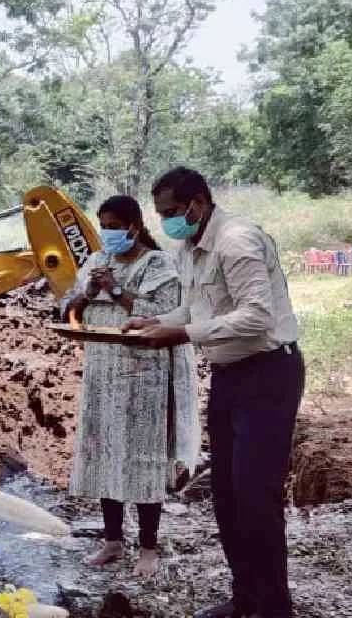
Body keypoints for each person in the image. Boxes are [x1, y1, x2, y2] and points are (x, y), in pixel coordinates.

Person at [125, 167, 303, 618]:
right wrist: (159, 322)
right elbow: (197, 305)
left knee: (256, 496)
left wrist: (181, 333)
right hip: (230, 376)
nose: (166, 221)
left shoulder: (236, 241)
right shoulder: (191, 246)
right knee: (226, 493)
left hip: (268, 374)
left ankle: (275, 608)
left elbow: (256, 317)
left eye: (170, 212)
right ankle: (245, 598)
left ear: (197, 204)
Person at [59, 196, 200, 578]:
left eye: (114, 225)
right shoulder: (94, 261)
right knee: (107, 453)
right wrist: (86, 292)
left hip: (144, 376)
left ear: (134, 227)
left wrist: (118, 290)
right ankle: (112, 540)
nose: (108, 232)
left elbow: (165, 315)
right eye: (103, 224)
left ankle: (149, 546)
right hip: (103, 374)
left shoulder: (158, 264)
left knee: (142, 457)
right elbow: (67, 309)